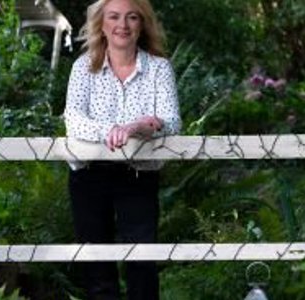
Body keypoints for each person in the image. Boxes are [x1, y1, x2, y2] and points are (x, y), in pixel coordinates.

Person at [62, 0, 181, 299]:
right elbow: (74, 120)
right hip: (89, 175)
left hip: (138, 175)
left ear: (143, 24)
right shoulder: (83, 67)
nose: (123, 25)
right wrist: (112, 132)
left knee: (142, 263)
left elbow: (172, 122)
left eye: (132, 17)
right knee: (96, 267)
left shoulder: (158, 68)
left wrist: (140, 127)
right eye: (114, 17)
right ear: (101, 24)